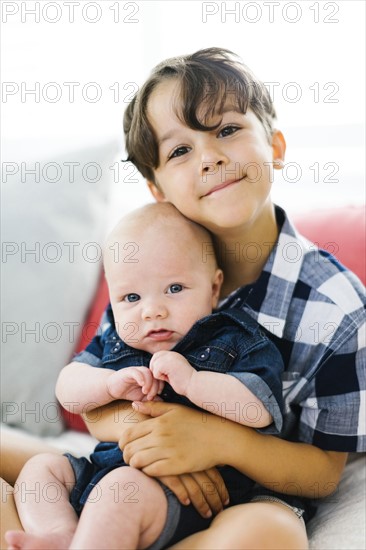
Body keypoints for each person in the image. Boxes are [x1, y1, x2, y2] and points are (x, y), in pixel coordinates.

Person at [2, 46, 365, 550]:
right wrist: (155, 445)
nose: (210, 156)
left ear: (276, 146)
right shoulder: (148, 267)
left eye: (227, 130)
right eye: (179, 151)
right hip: (128, 473)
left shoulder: (338, 308)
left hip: (242, 494)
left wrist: (214, 441)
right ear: (158, 190)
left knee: (270, 536)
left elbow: (323, 473)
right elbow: (97, 401)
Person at [5, 202, 285, 550]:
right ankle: (60, 534)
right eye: (131, 297)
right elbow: (68, 389)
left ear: (214, 289)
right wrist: (107, 384)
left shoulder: (234, 340)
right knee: (40, 470)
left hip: (180, 495)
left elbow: (260, 407)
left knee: (118, 491)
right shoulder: (116, 338)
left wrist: (193, 383)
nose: (152, 311)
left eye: (174, 289)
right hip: (103, 469)